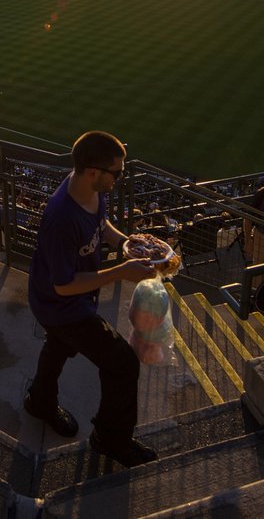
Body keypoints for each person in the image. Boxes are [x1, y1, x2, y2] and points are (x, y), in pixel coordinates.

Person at [25, 130, 159, 468]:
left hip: (68, 299)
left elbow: (102, 224)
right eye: (118, 172)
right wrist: (120, 272)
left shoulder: (91, 190)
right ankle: (112, 440)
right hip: (61, 305)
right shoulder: (62, 217)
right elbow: (65, 285)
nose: (120, 178)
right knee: (122, 363)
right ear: (93, 172)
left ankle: (39, 403)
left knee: (57, 347)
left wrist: (127, 244)